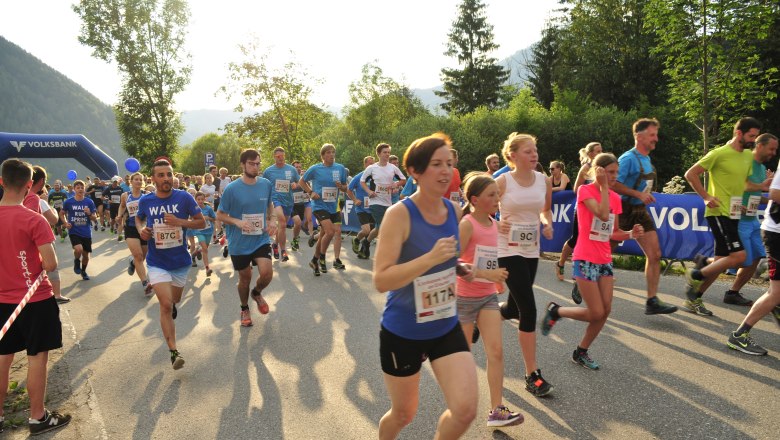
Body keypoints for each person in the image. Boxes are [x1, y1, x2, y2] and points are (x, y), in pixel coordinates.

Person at [373, 133, 477, 439]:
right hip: (403, 331)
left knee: (466, 409)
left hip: (444, 325)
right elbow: (381, 279)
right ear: (415, 172)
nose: (446, 171)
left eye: (449, 163)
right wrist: (430, 259)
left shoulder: (454, 212)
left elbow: (446, 261)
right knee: (404, 413)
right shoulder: (399, 215)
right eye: (436, 164)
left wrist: (460, 268)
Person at [541, 153, 645, 369]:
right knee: (595, 312)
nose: (615, 176)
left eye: (617, 172)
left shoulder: (615, 198)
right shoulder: (585, 191)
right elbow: (602, 214)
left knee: (605, 311)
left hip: (604, 259)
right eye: (610, 172)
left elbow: (613, 232)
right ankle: (556, 311)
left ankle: (581, 351)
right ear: (598, 172)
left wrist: (631, 234)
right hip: (585, 258)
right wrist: (604, 187)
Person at [0, 159, 72, 435]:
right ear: (30, 186)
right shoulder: (33, 219)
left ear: (1, 182)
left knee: (3, 357)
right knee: (36, 357)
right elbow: (51, 264)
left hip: (2, 301)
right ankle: (37, 416)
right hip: (35, 300)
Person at [456, 172, 522, 427]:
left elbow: (490, 257)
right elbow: (454, 263)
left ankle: (497, 410)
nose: (498, 198)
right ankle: (458, 408)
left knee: (496, 351)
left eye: (498, 194)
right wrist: (487, 273)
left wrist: (497, 281)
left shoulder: (495, 225)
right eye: (492, 195)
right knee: (463, 356)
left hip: (486, 298)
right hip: (462, 298)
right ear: (475, 199)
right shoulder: (467, 224)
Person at [495, 132, 555, 396]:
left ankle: (485, 315)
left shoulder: (544, 179)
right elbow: (475, 206)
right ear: (513, 156)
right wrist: (497, 222)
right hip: (506, 249)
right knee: (529, 309)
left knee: (514, 307)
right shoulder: (502, 181)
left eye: (535, 151)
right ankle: (532, 374)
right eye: (528, 151)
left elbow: (545, 209)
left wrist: (547, 223)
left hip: (531, 250)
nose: (534, 155)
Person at [683, 117, 763, 315]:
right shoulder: (719, 154)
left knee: (720, 261)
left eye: (755, 136)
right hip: (718, 211)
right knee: (739, 256)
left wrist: (763, 186)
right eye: (751, 136)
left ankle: (695, 296)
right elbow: (690, 174)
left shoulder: (746, 156)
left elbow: (742, 184)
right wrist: (706, 196)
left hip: (734, 212)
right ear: (739, 133)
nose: (753, 140)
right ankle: (697, 272)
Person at [136, 160, 205, 370]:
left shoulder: (184, 197)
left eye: (169, 174)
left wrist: (180, 222)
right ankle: (174, 351)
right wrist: (141, 230)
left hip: (180, 262)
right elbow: (139, 220)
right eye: (161, 175)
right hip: (157, 262)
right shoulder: (146, 201)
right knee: (165, 305)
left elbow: (201, 222)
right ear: (153, 178)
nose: (166, 178)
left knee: (174, 300)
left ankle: (172, 302)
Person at [612, 119, 678, 314]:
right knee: (604, 251)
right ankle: (583, 276)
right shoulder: (627, 159)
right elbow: (614, 184)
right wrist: (638, 194)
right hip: (621, 209)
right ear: (639, 136)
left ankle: (652, 301)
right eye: (652, 135)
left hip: (639, 210)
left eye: (656, 135)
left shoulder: (646, 158)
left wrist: (643, 196)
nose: (656, 139)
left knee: (655, 254)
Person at [728, 141, 780, 355]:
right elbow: (775, 194)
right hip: (777, 232)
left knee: (776, 292)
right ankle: (740, 335)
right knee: (776, 292)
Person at [217, 149, 275, 327]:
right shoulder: (232, 189)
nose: (255, 167)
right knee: (245, 278)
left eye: (258, 163)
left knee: (267, 273)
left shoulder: (265, 184)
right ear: (242, 164)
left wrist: (272, 220)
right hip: (239, 242)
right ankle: (244, 308)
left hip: (260, 238)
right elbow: (220, 214)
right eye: (251, 163)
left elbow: (270, 204)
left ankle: (256, 293)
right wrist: (237, 221)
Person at [720, 134, 778, 306]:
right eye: (771, 149)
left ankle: (733, 292)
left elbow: (756, 195)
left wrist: (771, 200)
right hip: (738, 219)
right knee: (739, 259)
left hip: (752, 220)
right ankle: (704, 265)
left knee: (756, 258)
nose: (774, 153)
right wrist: (738, 206)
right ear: (759, 146)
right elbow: (732, 188)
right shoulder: (745, 163)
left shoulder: (761, 169)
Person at [299, 144, 355, 275]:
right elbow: (302, 181)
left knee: (324, 235)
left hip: (333, 206)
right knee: (330, 232)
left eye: (333, 152)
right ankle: (322, 258)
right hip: (319, 205)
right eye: (328, 153)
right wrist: (311, 192)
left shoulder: (340, 168)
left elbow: (345, 188)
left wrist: (341, 186)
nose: (331, 155)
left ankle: (314, 260)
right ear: (323, 155)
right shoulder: (315, 169)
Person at [555, 142, 601, 286]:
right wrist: (590, 192)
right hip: (583, 208)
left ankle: (595, 270)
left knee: (595, 239)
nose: (601, 153)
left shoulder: (602, 168)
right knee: (577, 238)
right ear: (591, 154)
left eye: (602, 150)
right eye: (598, 151)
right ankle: (561, 263)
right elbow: (576, 189)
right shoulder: (586, 168)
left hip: (598, 208)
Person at [360, 143, 406, 259]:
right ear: (379, 154)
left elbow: (404, 179)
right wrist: (369, 192)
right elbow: (362, 181)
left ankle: (366, 242)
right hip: (375, 202)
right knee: (383, 227)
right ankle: (387, 255)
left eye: (388, 152)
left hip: (388, 202)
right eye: (385, 152)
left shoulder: (392, 167)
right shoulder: (372, 168)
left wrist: (395, 184)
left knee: (378, 228)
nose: (387, 154)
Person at [117, 172, 152, 294]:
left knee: (144, 256)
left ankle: (132, 262)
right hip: (131, 228)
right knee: (138, 255)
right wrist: (119, 215)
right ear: (131, 182)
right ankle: (145, 283)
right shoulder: (125, 195)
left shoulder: (147, 195)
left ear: (143, 182)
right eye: (136, 179)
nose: (138, 181)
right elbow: (122, 206)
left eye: (140, 179)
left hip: (145, 228)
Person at [262, 147, 300, 262]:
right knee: (282, 223)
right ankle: (283, 250)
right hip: (275, 200)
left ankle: (275, 244)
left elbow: (299, 182)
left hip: (288, 201)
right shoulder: (268, 171)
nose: (280, 158)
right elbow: (264, 186)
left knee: (282, 226)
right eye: (278, 156)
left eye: (282, 156)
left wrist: (295, 185)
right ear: (274, 157)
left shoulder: (291, 169)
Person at [60, 180, 97, 281]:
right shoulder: (69, 202)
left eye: (82, 187)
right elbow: (61, 213)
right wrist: (65, 223)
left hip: (86, 232)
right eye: (78, 187)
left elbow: (94, 218)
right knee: (78, 249)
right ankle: (76, 261)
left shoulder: (89, 202)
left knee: (86, 256)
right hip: (74, 230)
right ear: (74, 189)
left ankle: (83, 271)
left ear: (84, 189)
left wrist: (89, 213)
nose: (80, 189)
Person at [349, 156, 376, 259]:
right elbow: (349, 189)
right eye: (369, 164)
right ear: (365, 165)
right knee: (366, 231)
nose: (371, 166)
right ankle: (356, 239)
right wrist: (355, 200)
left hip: (373, 208)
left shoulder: (376, 177)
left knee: (371, 233)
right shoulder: (359, 177)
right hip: (361, 209)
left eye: (373, 164)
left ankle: (363, 251)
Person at [290, 160, 313, 251]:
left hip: (301, 204)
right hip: (291, 205)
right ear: (292, 168)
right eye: (296, 167)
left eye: (300, 167)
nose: (298, 169)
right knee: (298, 222)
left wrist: (308, 191)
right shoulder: (290, 178)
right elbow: (293, 187)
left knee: (299, 224)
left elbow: (308, 189)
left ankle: (295, 239)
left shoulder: (304, 179)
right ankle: (295, 240)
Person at [192, 192, 216, 277]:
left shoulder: (208, 209)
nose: (200, 201)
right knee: (205, 249)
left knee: (204, 248)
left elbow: (214, 219)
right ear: (195, 200)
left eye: (202, 199)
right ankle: (207, 268)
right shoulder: (193, 209)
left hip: (208, 231)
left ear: (204, 199)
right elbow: (190, 220)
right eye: (198, 199)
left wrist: (208, 218)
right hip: (199, 231)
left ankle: (196, 252)